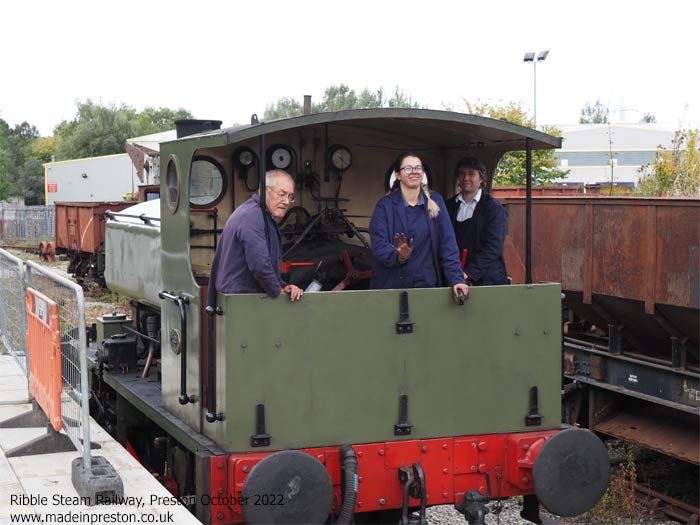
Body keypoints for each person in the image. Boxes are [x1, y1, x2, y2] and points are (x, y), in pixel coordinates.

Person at [369, 152, 469, 301]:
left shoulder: (435, 201)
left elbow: (448, 244)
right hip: (390, 286)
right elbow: (378, 244)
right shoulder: (385, 205)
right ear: (398, 175)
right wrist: (398, 257)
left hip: (426, 285)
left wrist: (456, 279)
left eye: (418, 168)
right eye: (408, 168)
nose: (414, 171)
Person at [206, 170, 303, 307]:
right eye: (281, 194)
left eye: (290, 196)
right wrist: (277, 291)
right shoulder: (253, 216)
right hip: (242, 303)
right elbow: (259, 265)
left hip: (242, 300)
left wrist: (282, 285)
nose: (286, 201)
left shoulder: (256, 214)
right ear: (264, 191)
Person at [445, 157, 509, 286]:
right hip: (456, 278)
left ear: (481, 179)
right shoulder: (449, 206)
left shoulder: (493, 208)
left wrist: (469, 273)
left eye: (471, 174)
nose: (466, 178)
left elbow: (493, 247)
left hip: (488, 280)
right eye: (462, 174)